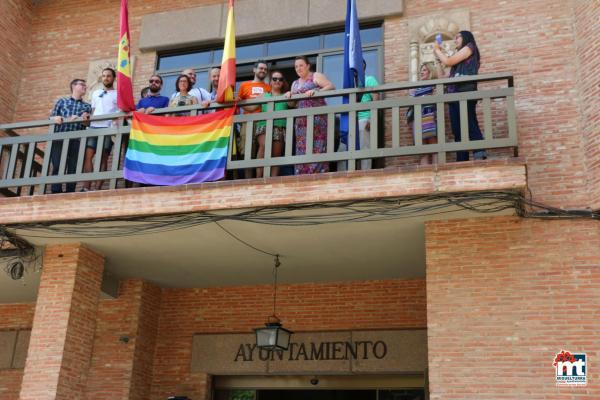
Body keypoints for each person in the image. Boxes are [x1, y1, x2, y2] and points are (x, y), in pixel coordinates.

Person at [433, 30, 486, 161]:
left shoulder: (470, 47)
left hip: (465, 93)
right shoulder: (458, 62)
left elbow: (449, 61)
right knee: (457, 130)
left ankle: (480, 155)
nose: (455, 40)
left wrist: (437, 50)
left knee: (470, 124)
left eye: (457, 37)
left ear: (466, 38)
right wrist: (438, 60)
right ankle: (461, 160)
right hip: (453, 96)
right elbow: (442, 78)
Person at [285, 56, 335, 175]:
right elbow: (292, 104)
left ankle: (318, 172)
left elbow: (331, 86)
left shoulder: (315, 76)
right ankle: (303, 173)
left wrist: (317, 91)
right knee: (302, 147)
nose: (298, 68)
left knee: (318, 145)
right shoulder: (295, 83)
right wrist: (289, 95)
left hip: (318, 119)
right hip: (301, 121)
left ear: (308, 66)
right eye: (296, 66)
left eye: (301, 65)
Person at [49, 78, 91, 193]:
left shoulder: (87, 106)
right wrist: (56, 118)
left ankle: (70, 191)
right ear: (73, 86)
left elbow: (87, 123)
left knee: (73, 167)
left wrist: (83, 118)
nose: (84, 87)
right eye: (82, 85)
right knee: (57, 164)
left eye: (85, 85)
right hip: (60, 137)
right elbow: (52, 117)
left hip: (77, 139)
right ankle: (56, 191)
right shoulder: (62, 101)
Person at [81, 68, 118, 191]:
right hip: (93, 127)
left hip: (107, 128)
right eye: (104, 76)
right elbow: (93, 110)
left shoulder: (118, 93)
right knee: (88, 156)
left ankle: (97, 188)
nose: (106, 78)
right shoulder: (96, 93)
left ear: (113, 78)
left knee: (103, 158)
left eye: (108, 76)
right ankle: (86, 187)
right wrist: (87, 117)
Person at [341, 59, 379, 171]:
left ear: (363, 66)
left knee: (364, 148)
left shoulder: (369, 79)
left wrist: (371, 119)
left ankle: (365, 173)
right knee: (346, 149)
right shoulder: (350, 83)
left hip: (364, 118)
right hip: (349, 121)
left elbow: (376, 99)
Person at [237, 60, 271, 176]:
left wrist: (253, 104)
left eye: (265, 69)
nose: (263, 71)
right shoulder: (244, 85)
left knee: (262, 149)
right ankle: (248, 179)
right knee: (247, 150)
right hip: (248, 121)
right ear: (254, 70)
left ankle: (259, 178)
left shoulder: (268, 87)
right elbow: (239, 102)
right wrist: (257, 101)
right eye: (261, 68)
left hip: (264, 121)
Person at [254, 70, 289, 178]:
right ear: (270, 82)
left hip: (279, 126)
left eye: (280, 79)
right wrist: (239, 101)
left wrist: (291, 94)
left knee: (276, 154)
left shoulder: (286, 96)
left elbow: (293, 103)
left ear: (283, 82)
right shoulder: (263, 96)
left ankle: (272, 179)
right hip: (264, 125)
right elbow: (251, 107)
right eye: (274, 79)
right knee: (264, 147)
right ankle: (259, 179)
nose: (277, 81)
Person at [409, 63, 439, 165]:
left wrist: (415, 93)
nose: (421, 72)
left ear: (430, 72)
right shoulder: (418, 87)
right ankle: (424, 173)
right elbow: (411, 97)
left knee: (433, 145)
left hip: (429, 117)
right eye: (421, 70)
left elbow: (414, 94)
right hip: (417, 118)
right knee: (422, 149)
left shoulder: (433, 85)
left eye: (425, 70)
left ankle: (436, 171)